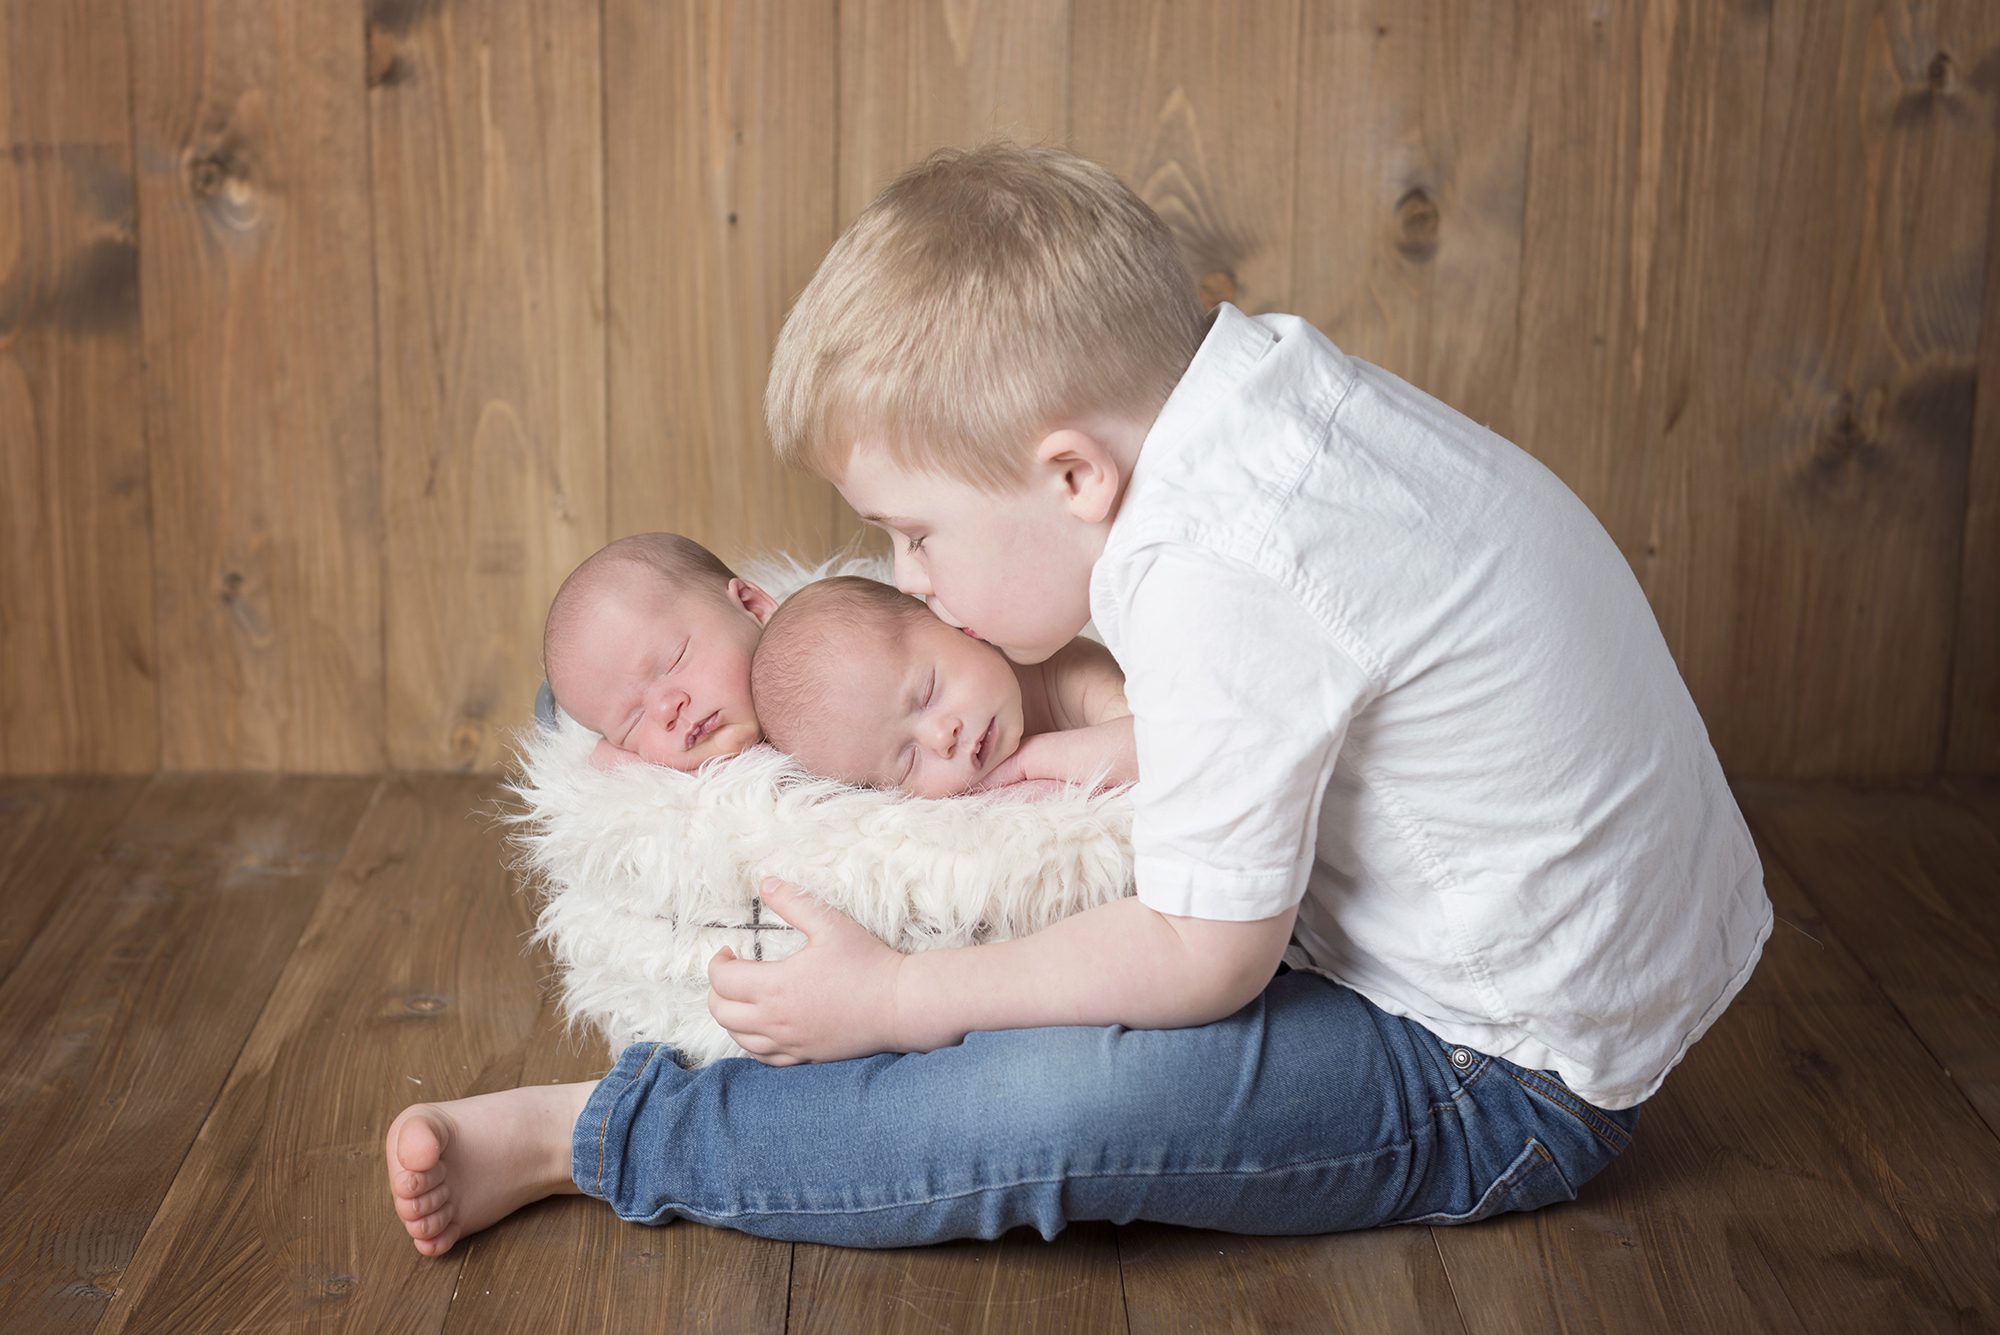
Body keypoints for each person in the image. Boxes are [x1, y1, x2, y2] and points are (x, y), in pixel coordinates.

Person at [386, 142, 1771, 1255]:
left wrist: (902, 996)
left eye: (914, 533)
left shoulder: (1220, 571)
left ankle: (611, 1132)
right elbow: (1347, 666)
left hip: (1511, 1071)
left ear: (1070, 476)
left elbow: (1199, 952)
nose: (904, 573)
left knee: (1043, 1103)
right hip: (1595, 942)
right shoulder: (1254, 397)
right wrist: (1134, 735)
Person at [750, 575, 1133, 798]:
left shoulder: (1074, 672)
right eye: (908, 761)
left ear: (958, 624)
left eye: (929, 692)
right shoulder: (960, 806)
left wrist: (1030, 763)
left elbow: (1163, 748)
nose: (940, 738)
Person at [542, 532, 777, 772]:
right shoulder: (675, 794)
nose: (666, 710)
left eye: (676, 660)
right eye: (634, 722)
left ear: (752, 607)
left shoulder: (813, 654)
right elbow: (608, 765)